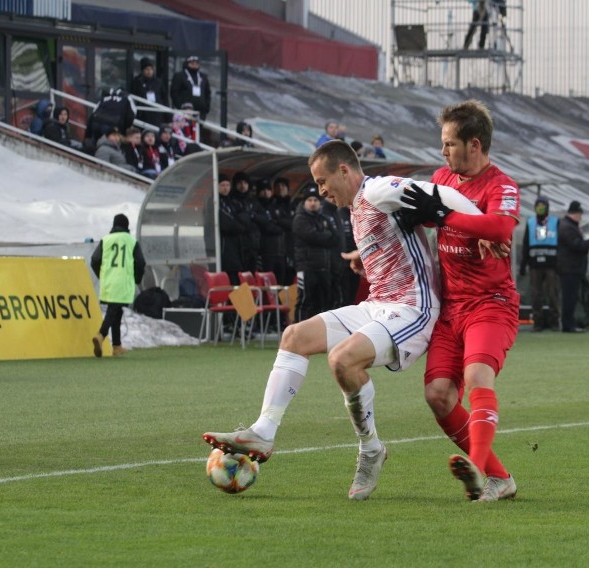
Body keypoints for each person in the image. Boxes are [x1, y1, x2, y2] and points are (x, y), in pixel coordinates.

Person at [203, 140, 480, 500]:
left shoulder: (379, 189)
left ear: (344, 171)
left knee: (342, 360)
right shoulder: (357, 206)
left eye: (321, 181)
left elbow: (439, 194)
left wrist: (486, 228)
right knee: (294, 336)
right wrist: (364, 259)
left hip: (412, 309)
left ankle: (370, 449)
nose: (319, 191)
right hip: (378, 304)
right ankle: (264, 431)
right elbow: (395, 244)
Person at [400, 99, 521, 502]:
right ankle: (499, 478)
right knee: (437, 395)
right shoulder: (441, 179)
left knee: (475, 380)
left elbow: (500, 226)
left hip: (491, 303)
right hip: (449, 309)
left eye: (450, 143)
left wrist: (449, 218)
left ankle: (478, 463)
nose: (443, 151)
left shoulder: (500, 185)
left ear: (474, 144)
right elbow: (419, 214)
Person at [91, 213, 146, 358]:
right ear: (127, 226)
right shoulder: (131, 241)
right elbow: (140, 262)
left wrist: (101, 275)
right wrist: (137, 278)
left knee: (116, 310)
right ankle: (101, 335)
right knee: (114, 310)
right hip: (123, 282)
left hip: (109, 281)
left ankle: (116, 346)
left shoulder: (106, 240)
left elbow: (94, 259)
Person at [292, 185, 338, 321]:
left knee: (322, 302)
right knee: (305, 301)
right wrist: (325, 236)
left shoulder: (324, 218)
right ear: (304, 202)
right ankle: (298, 332)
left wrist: (322, 236)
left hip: (323, 267)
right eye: (310, 200)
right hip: (306, 267)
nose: (313, 203)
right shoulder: (299, 219)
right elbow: (311, 236)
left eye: (315, 200)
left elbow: (335, 238)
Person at [519, 196, 560, 331]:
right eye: (538, 206)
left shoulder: (555, 222)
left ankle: (554, 322)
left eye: (543, 206)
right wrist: (523, 265)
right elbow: (526, 245)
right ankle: (538, 322)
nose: (540, 208)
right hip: (534, 265)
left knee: (552, 294)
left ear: (547, 208)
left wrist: (560, 264)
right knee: (536, 295)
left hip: (551, 265)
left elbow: (561, 244)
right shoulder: (530, 222)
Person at [557, 200, 589, 333]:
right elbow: (577, 245)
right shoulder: (567, 227)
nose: (581, 217)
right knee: (569, 297)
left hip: (573, 268)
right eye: (580, 214)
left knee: (571, 297)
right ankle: (568, 325)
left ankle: (569, 323)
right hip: (569, 268)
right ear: (575, 214)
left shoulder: (568, 226)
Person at [169, 55, 211, 120]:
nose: (194, 65)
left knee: (198, 128)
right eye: (192, 63)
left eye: (196, 63)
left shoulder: (203, 77)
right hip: (186, 110)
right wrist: (180, 106)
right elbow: (174, 92)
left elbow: (207, 93)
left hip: (201, 111)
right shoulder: (180, 76)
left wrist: (206, 107)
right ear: (187, 64)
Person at [130, 57, 168, 125]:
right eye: (147, 69)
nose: (149, 71)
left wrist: (166, 114)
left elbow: (164, 97)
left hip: (157, 113)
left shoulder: (158, 82)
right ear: (143, 70)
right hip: (143, 113)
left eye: (151, 69)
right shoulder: (137, 82)